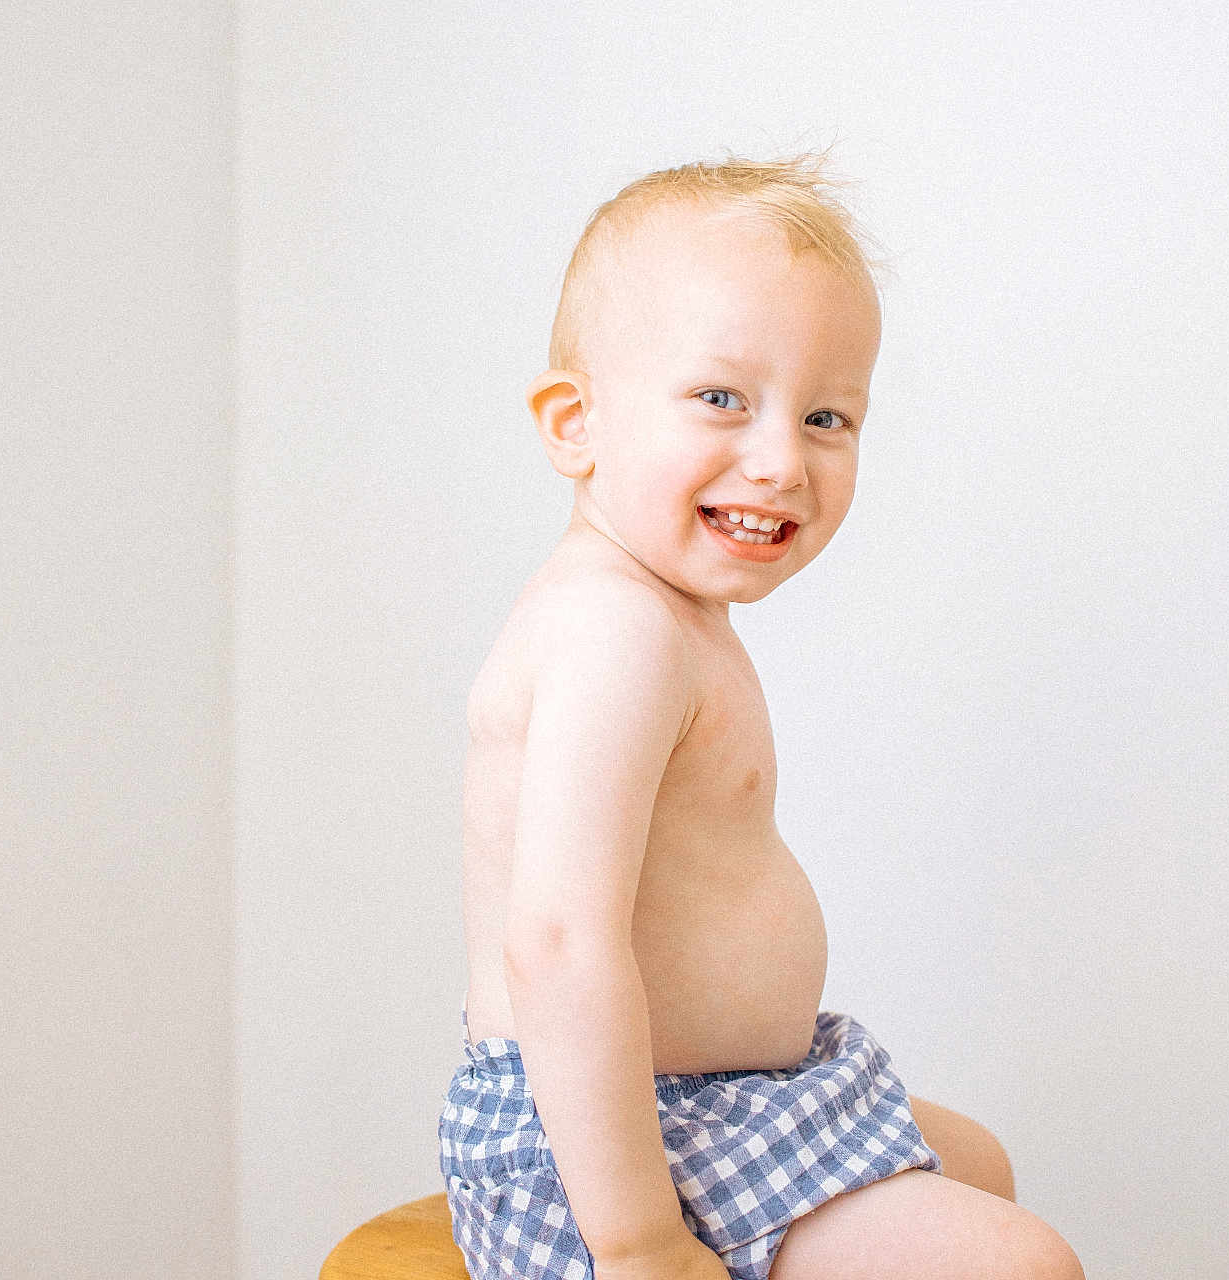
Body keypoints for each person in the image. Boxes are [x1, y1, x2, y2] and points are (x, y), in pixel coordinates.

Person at [437, 152, 1085, 1280]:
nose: (782, 461)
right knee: (1021, 1263)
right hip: (605, 1136)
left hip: (729, 1101)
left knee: (977, 1160)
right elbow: (558, 943)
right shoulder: (614, 631)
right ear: (575, 422)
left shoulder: (664, 612)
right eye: (721, 399)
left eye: (826, 415)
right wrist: (637, 1240)